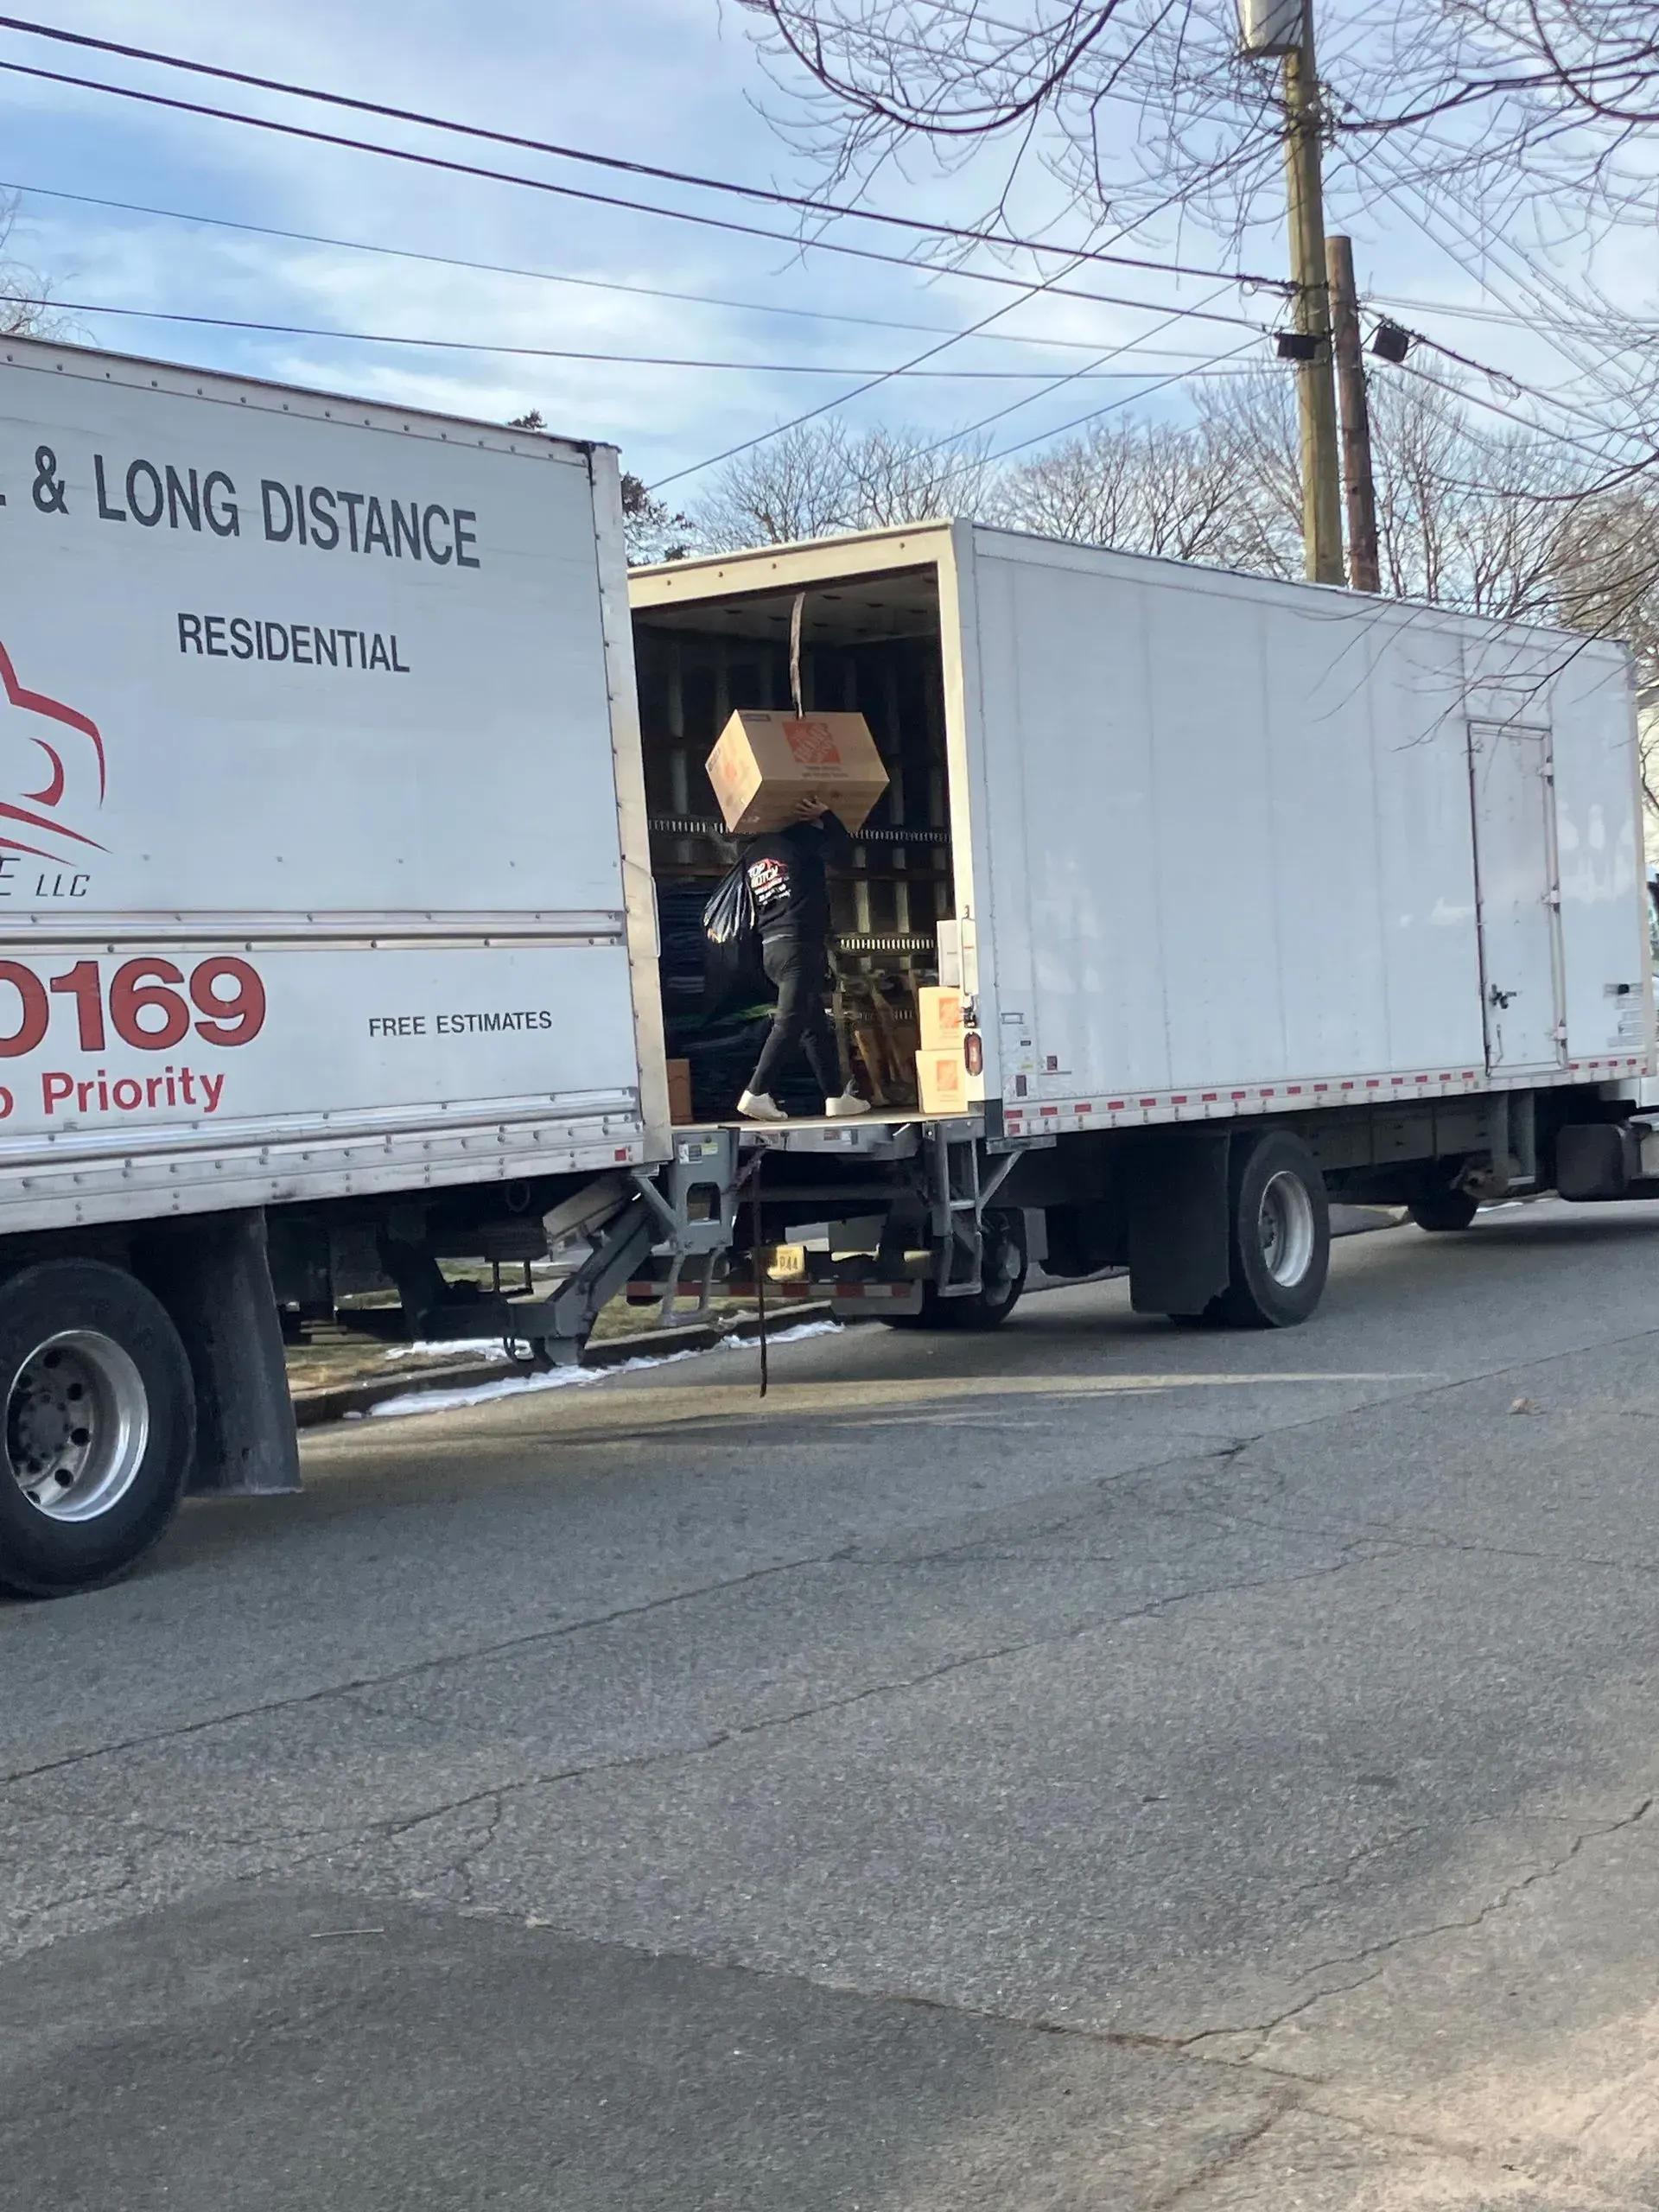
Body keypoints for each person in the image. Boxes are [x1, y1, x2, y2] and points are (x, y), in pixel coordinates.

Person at [736, 797, 872, 1122]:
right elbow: (843, 854)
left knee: (814, 1028)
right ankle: (756, 1093)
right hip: (799, 946)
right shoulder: (801, 838)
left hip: (771, 949)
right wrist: (828, 816)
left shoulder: (753, 853)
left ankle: (836, 1098)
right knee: (790, 1020)